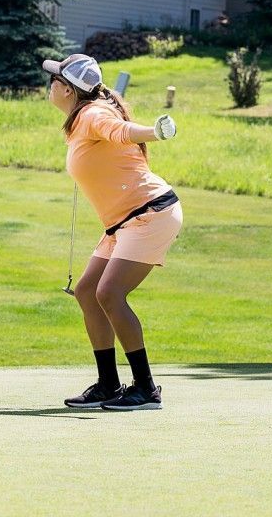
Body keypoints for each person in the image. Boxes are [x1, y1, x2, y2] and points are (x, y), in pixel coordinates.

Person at [45, 53, 181, 411]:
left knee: (109, 293)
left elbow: (121, 132)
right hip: (124, 222)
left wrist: (154, 131)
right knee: (88, 291)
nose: (51, 84)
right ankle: (108, 384)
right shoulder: (80, 120)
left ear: (71, 90)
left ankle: (147, 389)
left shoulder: (92, 113)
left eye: (56, 79)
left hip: (151, 214)